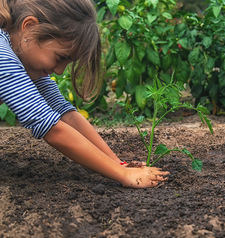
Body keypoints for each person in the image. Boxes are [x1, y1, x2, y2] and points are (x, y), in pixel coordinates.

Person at [0, 0, 169, 188]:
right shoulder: (2, 55)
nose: (59, 71)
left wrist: (117, 163)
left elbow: (64, 113)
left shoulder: (21, 58)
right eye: (61, 57)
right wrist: (123, 175)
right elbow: (51, 128)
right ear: (29, 27)